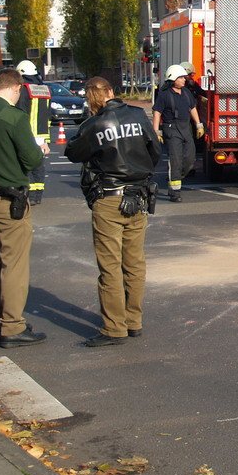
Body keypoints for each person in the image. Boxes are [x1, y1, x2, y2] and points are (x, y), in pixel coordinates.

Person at [65, 77, 161, 347]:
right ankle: (134, 321)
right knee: (134, 263)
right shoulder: (137, 115)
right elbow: (155, 151)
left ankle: (114, 328)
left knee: (110, 267)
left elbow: (73, 152)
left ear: (91, 98)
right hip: (139, 196)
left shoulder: (94, 124)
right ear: (111, 91)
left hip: (109, 198)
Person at [0, 68, 49, 348]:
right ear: (15, 87)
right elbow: (30, 159)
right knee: (13, 264)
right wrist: (40, 150)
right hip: (7, 200)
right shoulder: (13, 117)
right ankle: (12, 326)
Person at [152, 64, 204, 201]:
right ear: (173, 79)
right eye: (181, 77)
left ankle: (175, 177)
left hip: (186, 128)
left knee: (190, 157)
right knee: (175, 160)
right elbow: (157, 113)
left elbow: (192, 108)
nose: (184, 80)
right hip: (172, 129)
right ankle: (175, 192)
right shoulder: (164, 95)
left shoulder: (186, 92)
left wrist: (199, 125)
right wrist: (157, 131)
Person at [14, 60, 51, 204]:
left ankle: (28, 195)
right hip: (41, 136)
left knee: (26, 166)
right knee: (38, 167)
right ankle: (37, 196)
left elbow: (19, 111)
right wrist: (45, 139)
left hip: (26, 134)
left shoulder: (23, 89)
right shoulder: (45, 89)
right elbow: (47, 115)